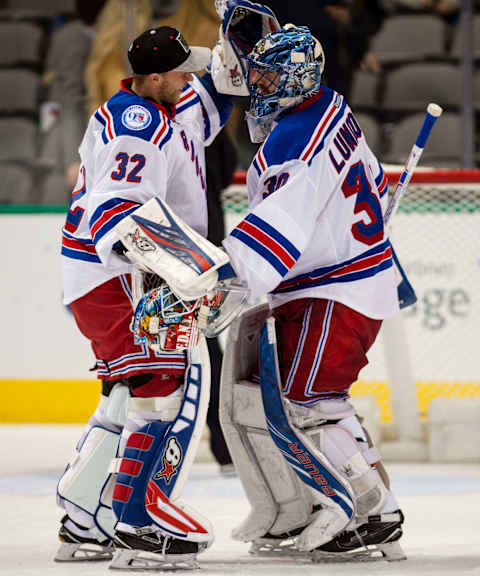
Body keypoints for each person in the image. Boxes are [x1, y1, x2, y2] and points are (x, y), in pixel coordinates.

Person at [216, 24, 406, 560]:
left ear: (296, 77)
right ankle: (360, 508)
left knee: (310, 405)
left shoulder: (293, 139)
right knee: (313, 401)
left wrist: (228, 280)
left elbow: (278, 224)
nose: (260, 85)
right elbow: (365, 172)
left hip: (335, 287)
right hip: (342, 280)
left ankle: (376, 513)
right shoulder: (331, 105)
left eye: (270, 75)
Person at [56, 25, 233, 569]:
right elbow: (116, 212)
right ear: (156, 78)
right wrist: (193, 271)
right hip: (116, 275)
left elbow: (215, 98)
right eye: (184, 71)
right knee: (160, 389)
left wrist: (242, 47)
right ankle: (135, 522)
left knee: (125, 396)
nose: (192, 78)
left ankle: (83, 519)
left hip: (122, 276)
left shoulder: (167, 108)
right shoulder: (136, 126)